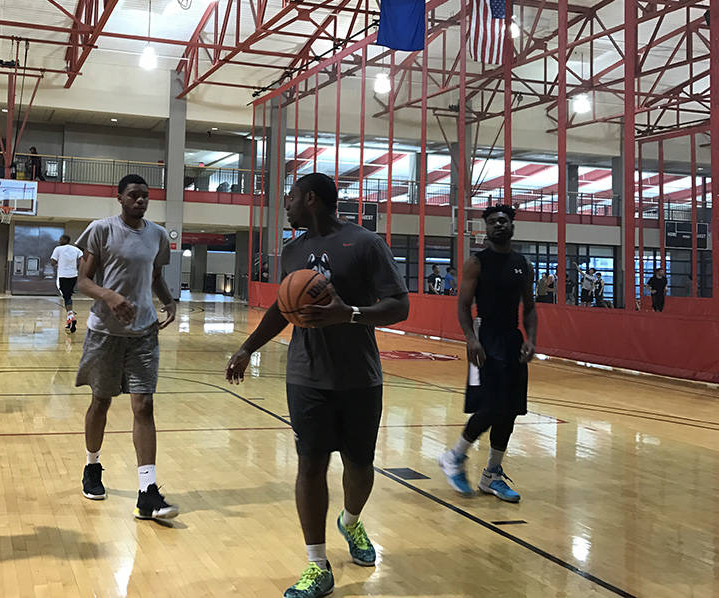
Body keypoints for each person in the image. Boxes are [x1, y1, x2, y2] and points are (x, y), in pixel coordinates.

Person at [226, 173, 409, 598]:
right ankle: (316, 564)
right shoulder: (292, 251)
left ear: (310, 199)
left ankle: (351, 521)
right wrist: (247, 348)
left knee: (360, 465)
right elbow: (282, 306)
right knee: (310, 465)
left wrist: (350, 314)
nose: (285, 205)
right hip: (306, 375)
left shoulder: (365, 243)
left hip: (359, 376)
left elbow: (399, 306)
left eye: (290, 197)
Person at [74, 174, 179, 520]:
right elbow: (83, 281)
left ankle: (147, 492)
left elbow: (155, 277)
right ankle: (92, 466)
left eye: (145, 196)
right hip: (105, 331)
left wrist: (168, 301)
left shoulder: (158, 235)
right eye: (133, 195)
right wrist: (110, 295)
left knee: (144, 405)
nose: (140, 200)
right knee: (101, 402)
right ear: (119, 197)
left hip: (144, 331)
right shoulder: (101, 230)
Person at [438, 204, 537, 504]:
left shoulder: (523, 264)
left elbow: (529, 307)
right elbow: (462, 305)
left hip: (511, 337)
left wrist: (531, 339)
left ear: (512, 227)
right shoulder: (476, 263)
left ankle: (492, 474)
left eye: (503, 221)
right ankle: (454, 456)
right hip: (486, 336)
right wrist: (471, 339)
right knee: (492, 406)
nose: (499, 225)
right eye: (493, 221)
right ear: (486, 228)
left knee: (511, 409)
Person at [51, 234, 83, 333]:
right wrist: (77, 266)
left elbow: (53, 262)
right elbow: (82, 258)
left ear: (65, 240)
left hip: (63, 276)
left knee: (66, 298)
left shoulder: (58, 249)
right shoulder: (75, 249)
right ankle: (69, 321)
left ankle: (71, 317)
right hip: (73, 276)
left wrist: (58, 263)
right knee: (68, 296)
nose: (59, 241)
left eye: (60, 239)